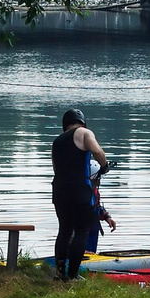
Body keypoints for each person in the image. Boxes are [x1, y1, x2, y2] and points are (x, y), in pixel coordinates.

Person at [49, 108, 110, 280]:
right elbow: (97, 151)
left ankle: (59, 274)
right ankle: (73, 275)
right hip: (79, 190)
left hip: (59, 190)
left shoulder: (57, 141)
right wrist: (104, 166)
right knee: (82, 230)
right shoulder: (84, 132)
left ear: (64, 125)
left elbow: (56, 168)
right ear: (82, 123)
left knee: (64, 230)